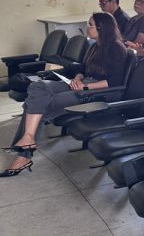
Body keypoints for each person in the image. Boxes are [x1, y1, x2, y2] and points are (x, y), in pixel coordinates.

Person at [1, 12, 129, 177]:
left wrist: (85, 87)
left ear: (101, 28)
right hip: (83, 84)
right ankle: (28, 138)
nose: (87, 27)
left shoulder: (116, 48)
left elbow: (114, 82)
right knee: (38, 87)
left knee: (36, 106)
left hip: (99, 92)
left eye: (90, 25)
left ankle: (23, 155)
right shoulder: (94, 46)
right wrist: (78, 78)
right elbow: (83, 69)